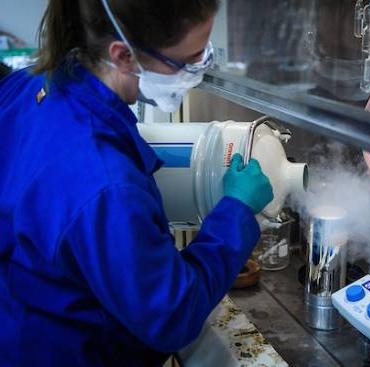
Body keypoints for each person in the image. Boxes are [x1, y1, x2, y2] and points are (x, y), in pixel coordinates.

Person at [0, 0, 273, 366]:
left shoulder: (34, 81)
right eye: (188, 60)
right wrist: (236, 212)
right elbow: (171, 315)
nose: (198, 69)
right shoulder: (107, 186)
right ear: (124, 56)